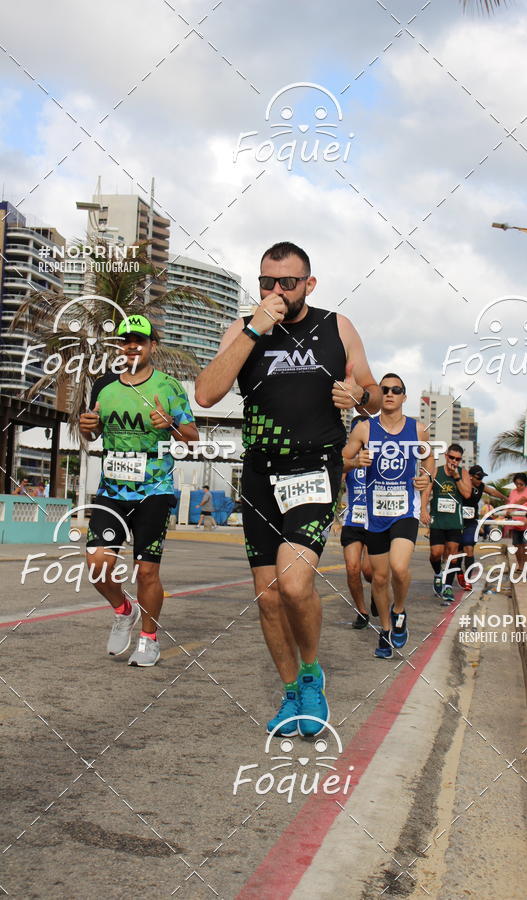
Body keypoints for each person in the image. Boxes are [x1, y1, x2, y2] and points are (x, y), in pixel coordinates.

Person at [195, 241, 382, 736]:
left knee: (294, 582)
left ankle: (312, 672)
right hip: (259, 472)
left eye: (288, 283)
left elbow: (373, 391)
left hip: (314, 469)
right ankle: (291, 692)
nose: (277, 291)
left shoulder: (336, 326)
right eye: (267, 282)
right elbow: (207, 392)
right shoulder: (243, 328)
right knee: (268, 596)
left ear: (309, 285)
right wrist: (255, 328)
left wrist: (360, 394)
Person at [79, 314, 199, 667]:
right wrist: (88, 427)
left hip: (154, 491)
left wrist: (172, 424)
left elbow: (192, 440)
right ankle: (124, 610)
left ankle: (149, 639)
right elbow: (91, 432)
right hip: (112, 491)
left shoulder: (169, 387)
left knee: (146, 570)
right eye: (125, 340)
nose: (132, 345)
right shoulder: (103, 386)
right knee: (97, 566)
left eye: (140, 340)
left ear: (152, 346)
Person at [343, 374, 433, 657]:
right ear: (379, 397)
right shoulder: (364, 430)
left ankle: (399, 609)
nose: (391, 394)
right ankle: (384, 630)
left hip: (404, 510)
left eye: (397, 390)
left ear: (405, 397)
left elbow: (430, 458)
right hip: (374, 514)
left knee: (400, 567)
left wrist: (426, 478)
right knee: (379, 579)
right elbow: (340, 462)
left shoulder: (417, 429)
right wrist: (356, 461)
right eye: (385, 390)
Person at [423, 444, 472, 605]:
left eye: (458, 459)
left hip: (454, 521)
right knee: (436, 553)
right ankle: (438, 573)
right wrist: (423, 509)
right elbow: (427, 491)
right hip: (438, 520)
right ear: (446, 456)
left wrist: (456, 476)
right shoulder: (437, 471)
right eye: (452, 458)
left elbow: (466, 493)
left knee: (453, 555)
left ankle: (448, 586)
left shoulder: (463, 473)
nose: (454, 461)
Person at [339, 416, 373, 630]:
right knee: (353, 569)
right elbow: (336, 480)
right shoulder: (347, 458)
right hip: (353, 521)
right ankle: (362, 611)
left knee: (369, 572)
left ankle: (379, 597)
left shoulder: (379, 454)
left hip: (374, 522)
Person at [457, 465, 506, 590]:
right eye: (478, 477)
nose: (480, 480)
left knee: (468, 548)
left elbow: (493, 491)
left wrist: (506, 499)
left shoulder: (481, 486)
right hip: (456, 521)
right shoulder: (461, 484)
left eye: (482, 477)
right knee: (456, 551)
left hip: (471, 522)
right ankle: (458, 573)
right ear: (470, 477)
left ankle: (468, 579)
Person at [506, 473, 527, 573]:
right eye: (517, 483)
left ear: (525, 483)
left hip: (526, 523)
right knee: (517, 545)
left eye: (521, 484)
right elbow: (509, 504)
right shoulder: (513, 492)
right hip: (515, 523)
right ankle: (520, 566)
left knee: (526, 545)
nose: (519, 486)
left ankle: (525, 565)